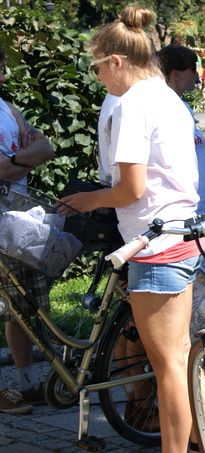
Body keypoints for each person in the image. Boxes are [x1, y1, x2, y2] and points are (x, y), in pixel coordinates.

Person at [60, 6, 202, 453]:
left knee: (169, 369)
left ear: (117, 61)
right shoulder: (166, 96)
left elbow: (130, 188)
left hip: (155, 242)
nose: (99, 77)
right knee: (178, 361)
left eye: (99, 67)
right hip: (184, 234)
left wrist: (87, 200)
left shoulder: (132, 105)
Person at [0, 47, 55, 414]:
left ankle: (28, 384)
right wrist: (20, 161)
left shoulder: (7, 106)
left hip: (17, 217)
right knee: (9, 305)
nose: (3, 74)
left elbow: (45, 146)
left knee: (23, 304)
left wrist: (14, 161)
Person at [158, 44, 205, 215]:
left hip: (199, 208)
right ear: (176, 75)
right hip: (184, 213)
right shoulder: (164, 109)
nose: (197, 76)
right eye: (192, 69)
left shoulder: (182, 107)